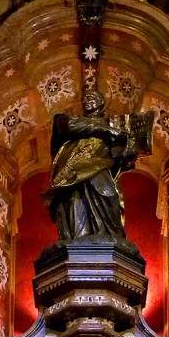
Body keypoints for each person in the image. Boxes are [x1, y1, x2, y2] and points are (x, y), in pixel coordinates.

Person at [44, 90, 137, 241]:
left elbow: (117, 157)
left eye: (91, 98)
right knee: (74, 204)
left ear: (101, 103)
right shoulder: (75, 121)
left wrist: (127, 158)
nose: (86, 101)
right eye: (85, 98)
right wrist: (108, 130)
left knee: (111, 196)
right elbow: (67, 125)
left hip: (100, 167)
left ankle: (112, 237)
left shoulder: (114, 126)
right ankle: (80, 239)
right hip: (75, 170)